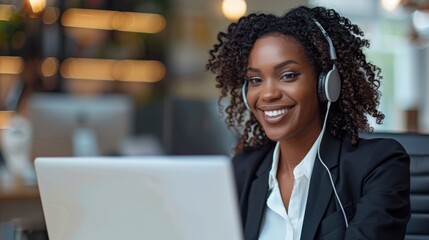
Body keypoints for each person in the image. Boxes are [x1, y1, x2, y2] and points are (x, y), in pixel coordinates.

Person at [206, 5, 410, 240]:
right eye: (255, 79)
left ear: (326, 84)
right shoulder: (243, 171)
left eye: (288, 75)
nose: (268, 94)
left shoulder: (379, 165)